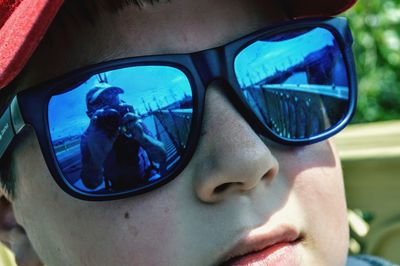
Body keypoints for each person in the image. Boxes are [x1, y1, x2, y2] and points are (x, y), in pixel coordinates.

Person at [0, 0, 395, 265]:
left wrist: (138, 132)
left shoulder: (137, 130)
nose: (249, 159)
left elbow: (157, 157)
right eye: (131, 93)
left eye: (288, 46)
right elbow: (90, 175)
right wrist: (101, 144)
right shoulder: (91, 142)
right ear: (11, 218)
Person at [81, 84, 167, 190]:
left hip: (149, 177)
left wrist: (141, 136)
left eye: (114, 99)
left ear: (122, 102)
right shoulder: (89, 137)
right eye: (100, 103)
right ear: (90, 114)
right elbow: (91, 183)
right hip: (119, 189)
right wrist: (97, 155)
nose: (110, 106)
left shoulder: (130, 120)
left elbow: (160, 157)